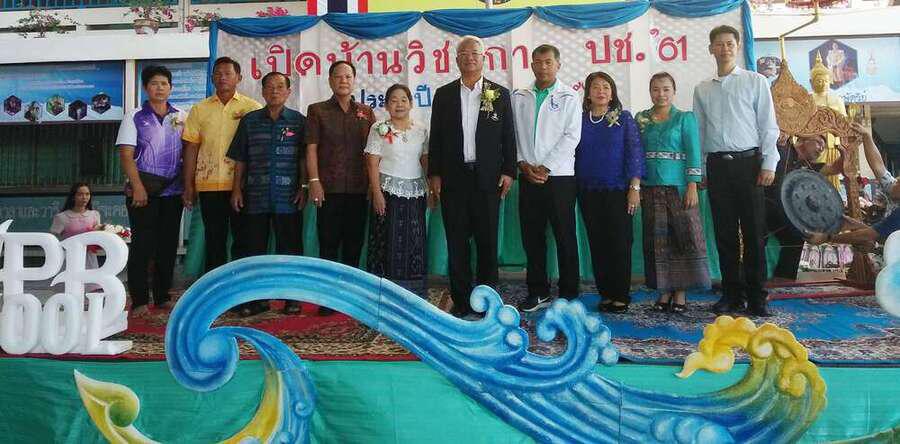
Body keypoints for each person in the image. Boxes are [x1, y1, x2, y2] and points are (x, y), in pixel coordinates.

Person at [693, 25, 780, 317]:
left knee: (754, 233)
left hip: (749, 165)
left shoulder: (756, 81)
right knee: (724, 234)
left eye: (729, 43)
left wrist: (769, 163)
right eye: (719, 44)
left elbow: (768, 125)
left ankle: (757, 297)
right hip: (717, 166)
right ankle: (731, 295)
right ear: (711, 49)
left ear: (737, 46)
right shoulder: (702, 89)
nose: (724, 49)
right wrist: (701, 169)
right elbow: (700, 132)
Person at [428, 35, 516, 319]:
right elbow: (436, 138)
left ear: (483, 58)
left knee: (487, 242)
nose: (469, 58)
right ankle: (462, 300)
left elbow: (508, 136)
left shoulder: (499, 94)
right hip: (453, 179)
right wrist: (435, 174)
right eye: (464, 54)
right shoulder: (444, 94)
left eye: (475, 53)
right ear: (456, 60)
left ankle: (487, 300)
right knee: (457, 242)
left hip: (488, 179)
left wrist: (509, 171)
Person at [227, 72, 307, 317]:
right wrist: (237, 189)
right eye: (270, 87)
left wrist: (303, 187)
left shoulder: (298, 121)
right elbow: (241, 158)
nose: (274, 91)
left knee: (290, 249)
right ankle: (255, 299)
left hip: (288, 197)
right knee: (254, 250)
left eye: (280, 87)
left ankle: (292, 298)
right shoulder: (250, 121)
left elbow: (304, 158)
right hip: (255, 196)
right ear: (262, 92)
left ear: (288, 92)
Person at [511, 44, 582, 312]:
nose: (543, 67)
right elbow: (512, 134)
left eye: (548, 62)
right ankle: (538, 291)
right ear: (531, 65)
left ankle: (568, 293)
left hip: (560, 177)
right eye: (538, 62)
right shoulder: (520, 96)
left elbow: (572, 136)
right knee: (532, 237)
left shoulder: (569, 96)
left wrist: (546, 167)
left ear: (558, 65)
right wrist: (522, 163)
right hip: (528, 176)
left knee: (565, 236)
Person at [635, 72, 710, 313]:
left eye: (666, 89)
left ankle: (680, 293)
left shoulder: (684, 118)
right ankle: (664, 290)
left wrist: (692, 184)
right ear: (650, 92)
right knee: (658, 243)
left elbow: (693, 151)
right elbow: (637, 153)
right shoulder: (641, 118)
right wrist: (637, 185)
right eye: (656, 89)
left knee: (682, 239)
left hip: (679, 188)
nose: (661, 94)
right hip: (650, 187)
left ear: (674, 91)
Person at [306, 60, 375, 315]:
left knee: (354, 245)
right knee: (328, 243)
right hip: (329, 189)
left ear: (354, 80)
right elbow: (311, 149)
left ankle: (351, 297)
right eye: (338, 76)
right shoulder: (318, 111)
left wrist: (373, 185)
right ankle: (328, 298)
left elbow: (374, 152)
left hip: (359, 189)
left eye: (348, 76)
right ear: (330, 80)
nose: (343, 80)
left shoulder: (366, 112)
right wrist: (314, 182)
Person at [116, 65, 186, 317]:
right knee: (142, 246)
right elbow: (126, 154)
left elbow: (188, 152)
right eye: (154, 83)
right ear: (146, 88)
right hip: (142, 192)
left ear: (171, 88)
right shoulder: (134, 116)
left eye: (164, 83)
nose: (160, 88)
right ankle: (139, 301)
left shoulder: (181, 116)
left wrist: (188, 187)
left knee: (167, 245)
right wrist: (137, 187)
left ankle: (163, 296)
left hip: (173, 192)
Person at [182, 57, 262, 274]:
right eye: (218, 74)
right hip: (208, 185)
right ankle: (215, 287)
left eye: (228, 73)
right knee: (214, 240)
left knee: (243, 239)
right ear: (212, 78)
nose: (222, 77)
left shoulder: (252, 108)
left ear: (239, 78)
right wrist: (188, 185)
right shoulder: (199, 109)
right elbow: (191, 148)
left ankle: (241, 287)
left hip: (243, 186)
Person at [575, 71, 643, 313]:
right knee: (598, 242)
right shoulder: (579, 120)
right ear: (588, 93)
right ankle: (605, 293)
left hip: (618, 190)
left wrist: (634, 187)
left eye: (606, 86)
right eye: (595, 87)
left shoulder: (623, 118)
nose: (601, 91)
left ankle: (621, 294)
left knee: (619, 242)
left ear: (612, 93)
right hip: (587, 191)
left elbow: (635, 153)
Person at [364, 84, 430, 294]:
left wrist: (429, 190)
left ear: (411, 103)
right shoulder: (379, 128)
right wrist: (377, 194)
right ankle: (383, 291)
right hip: (387, 193)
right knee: (387, 242)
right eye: (393, 100)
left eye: (403, 100)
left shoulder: (421, 129)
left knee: (415, 241)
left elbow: (425, 161)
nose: (399, 104)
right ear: (386, 105)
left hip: (415, 194)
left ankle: (414, 291)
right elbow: (372, 163)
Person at [767, 133, 845, 281]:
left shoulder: (810, 167)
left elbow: (835, 168)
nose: (821, 149)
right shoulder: (783, 147)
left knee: (797, 237)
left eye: (823, 147)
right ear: (803, 139)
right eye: (819, 143)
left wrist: (844, 153)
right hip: (764, 207)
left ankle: (784, 281)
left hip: (785, 216)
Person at [807, 123, 899, 248]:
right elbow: (878, 166)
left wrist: (828, 238)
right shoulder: (893, 187)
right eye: (896, 181)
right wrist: (867, 136)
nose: (894, 183)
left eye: (897, 184)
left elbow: (869, 234)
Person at [51, 183, 102, 272]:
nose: (84, 197)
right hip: (69, 259)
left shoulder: (94, 215)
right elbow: (53, 240)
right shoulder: (62, 217)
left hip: (90, 259)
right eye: (80, 194)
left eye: (87, 194)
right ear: (73, 196)